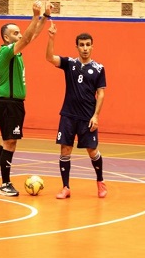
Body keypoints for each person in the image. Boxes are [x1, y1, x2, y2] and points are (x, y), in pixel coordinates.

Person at [0, 1, 51, 197]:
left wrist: (45, 17)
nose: (19, 35)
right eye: (15, 33)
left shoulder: (15, 54)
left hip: (14, 104)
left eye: (19, 32)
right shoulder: (5, 52)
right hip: (8, 104)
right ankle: (6, 184)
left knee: (7, 143)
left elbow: (32, 36)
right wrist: (35, 16)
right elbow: (27, 38)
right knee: (10, 143)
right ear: (6, 37)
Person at [45, 26, 108, 199]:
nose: (85, 48)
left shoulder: (98, 68)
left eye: (88, 45)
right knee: (65, 150)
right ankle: (66, 187)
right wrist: (51, 38)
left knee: (92, 151)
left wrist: (96, 116)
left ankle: (100, 182)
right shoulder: (70, 64)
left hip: (87, 117)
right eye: (82, 45)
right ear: (77, 47)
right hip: (68, 115)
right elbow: (49, 58)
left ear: (92, 46)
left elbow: (101, 93)